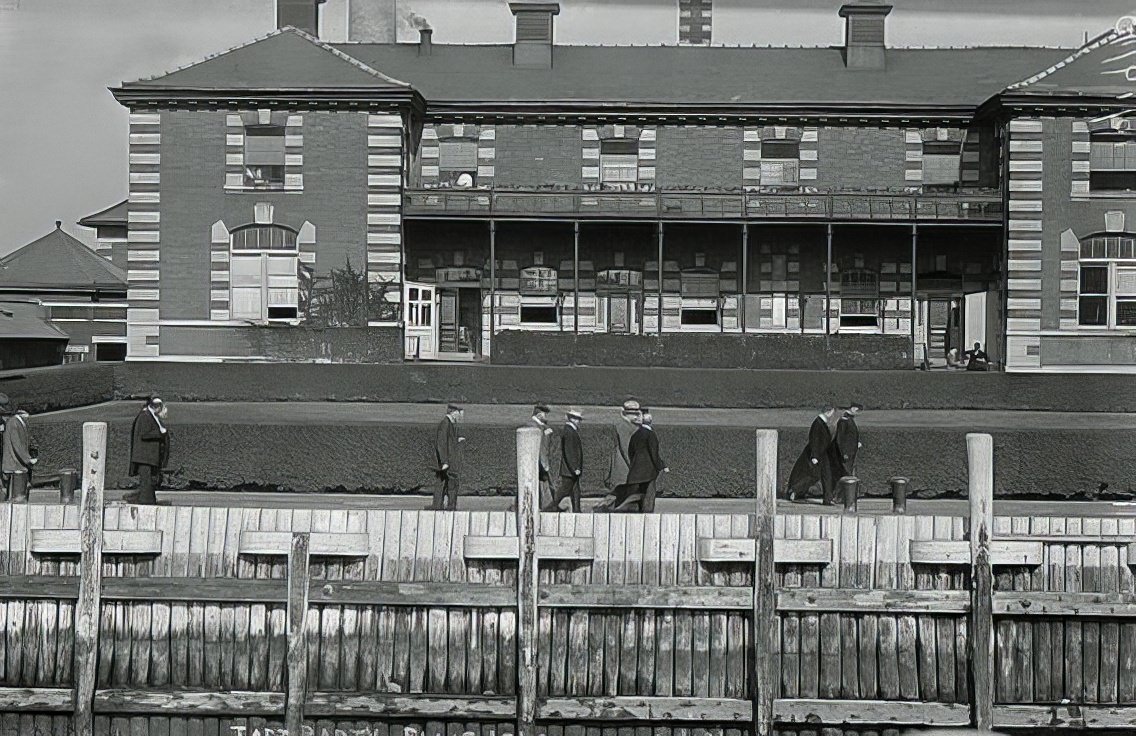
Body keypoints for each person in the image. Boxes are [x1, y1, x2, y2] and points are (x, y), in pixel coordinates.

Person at [786, 406, 839, 504]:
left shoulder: (821, 422)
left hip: (822, 454)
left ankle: (828, 499)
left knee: (826, 476)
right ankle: (795, 490)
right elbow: (814, 439)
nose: (833, 414)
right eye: (832, 411)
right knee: (814, 476)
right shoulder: (818, 423)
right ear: (828, 411)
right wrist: (814, 456)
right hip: (818, 454)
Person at [620, 410, 669, 513]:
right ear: (650, 421)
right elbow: (654, 453)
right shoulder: (651, 435)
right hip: (648, 473)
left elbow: (630, 452)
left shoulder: (635, 435)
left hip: (635, 472)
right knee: (648, 498)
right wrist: (662, 466)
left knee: (636, 498)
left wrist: (634, 465)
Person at [596, 399, 641, 513]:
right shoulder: (623, 426)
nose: (636, 416)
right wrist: (634, 466)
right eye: (633, 414)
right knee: (622, 492)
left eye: (636, 413)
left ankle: (606, 508)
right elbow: (626, 447)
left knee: (622, 493)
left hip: (624, 466)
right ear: (626, 414)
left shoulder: (629, 425)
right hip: (624, 467)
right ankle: (603, 508)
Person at [126, 397, 170, 505]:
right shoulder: (144, 416)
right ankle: (146, 503)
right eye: (156, 405)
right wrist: (160, 433)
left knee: (149, 482)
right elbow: (143, 434)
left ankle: (148, 502)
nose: (158, 407)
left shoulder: (152, 416)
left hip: (150, 458)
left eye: (159, 404)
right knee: (146, 482)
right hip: (145, 458)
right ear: (151, 405)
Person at [545, 408, 584, 512]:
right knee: (564, 490)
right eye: (576, 419)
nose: (578, 421)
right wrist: (575, 468)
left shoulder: (571, 431)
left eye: (579, 419)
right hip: (570, 469)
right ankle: (551, 507)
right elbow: (569, 452)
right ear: (570, 419)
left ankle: (577, 510)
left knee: (575, 491)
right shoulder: (569, 432)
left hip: (570, 469)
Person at [432, 404, 465, 510]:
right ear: (453, 412)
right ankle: (445, 506)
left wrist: (457, 440)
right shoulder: (445, 424)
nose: (460, 416)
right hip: (446, 462)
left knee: (445, 483)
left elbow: (447, 442)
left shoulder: (448, 424)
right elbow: (441, 443)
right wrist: (444, 461)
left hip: (448, 461)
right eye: (459, 413)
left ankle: (444, 506)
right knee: (447, 483)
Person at [2, 403, 35, 499]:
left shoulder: (18, 422)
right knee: (14, 495)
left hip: (17, 463)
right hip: (14, 463)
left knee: (16, 493)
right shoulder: (14, 423)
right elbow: (17, 445)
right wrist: (28, 459)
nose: (28, 417)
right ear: (23, 413)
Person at [529, 404, 555, 510]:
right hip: (537, 461)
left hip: (540, 461)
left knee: (542, 485)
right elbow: (541, 447)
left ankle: (546, 505)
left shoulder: (542, 426)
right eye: (544, 414)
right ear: (539, 414)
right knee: (537, 484)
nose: (546, 416)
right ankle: (547, 506)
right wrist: (544, 463)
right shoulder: (533, 426)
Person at [834, 403, 864, 478]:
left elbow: (850, 435)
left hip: (851, 451)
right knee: (846, 472)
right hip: (846, 453)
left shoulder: (850, 419)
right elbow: (839, 438)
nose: (857, 413)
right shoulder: (844, 420)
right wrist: (843, 453)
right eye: (857, 410)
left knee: (850, 471)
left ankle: (851, 487)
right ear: (853, 408)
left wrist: (856, 442)